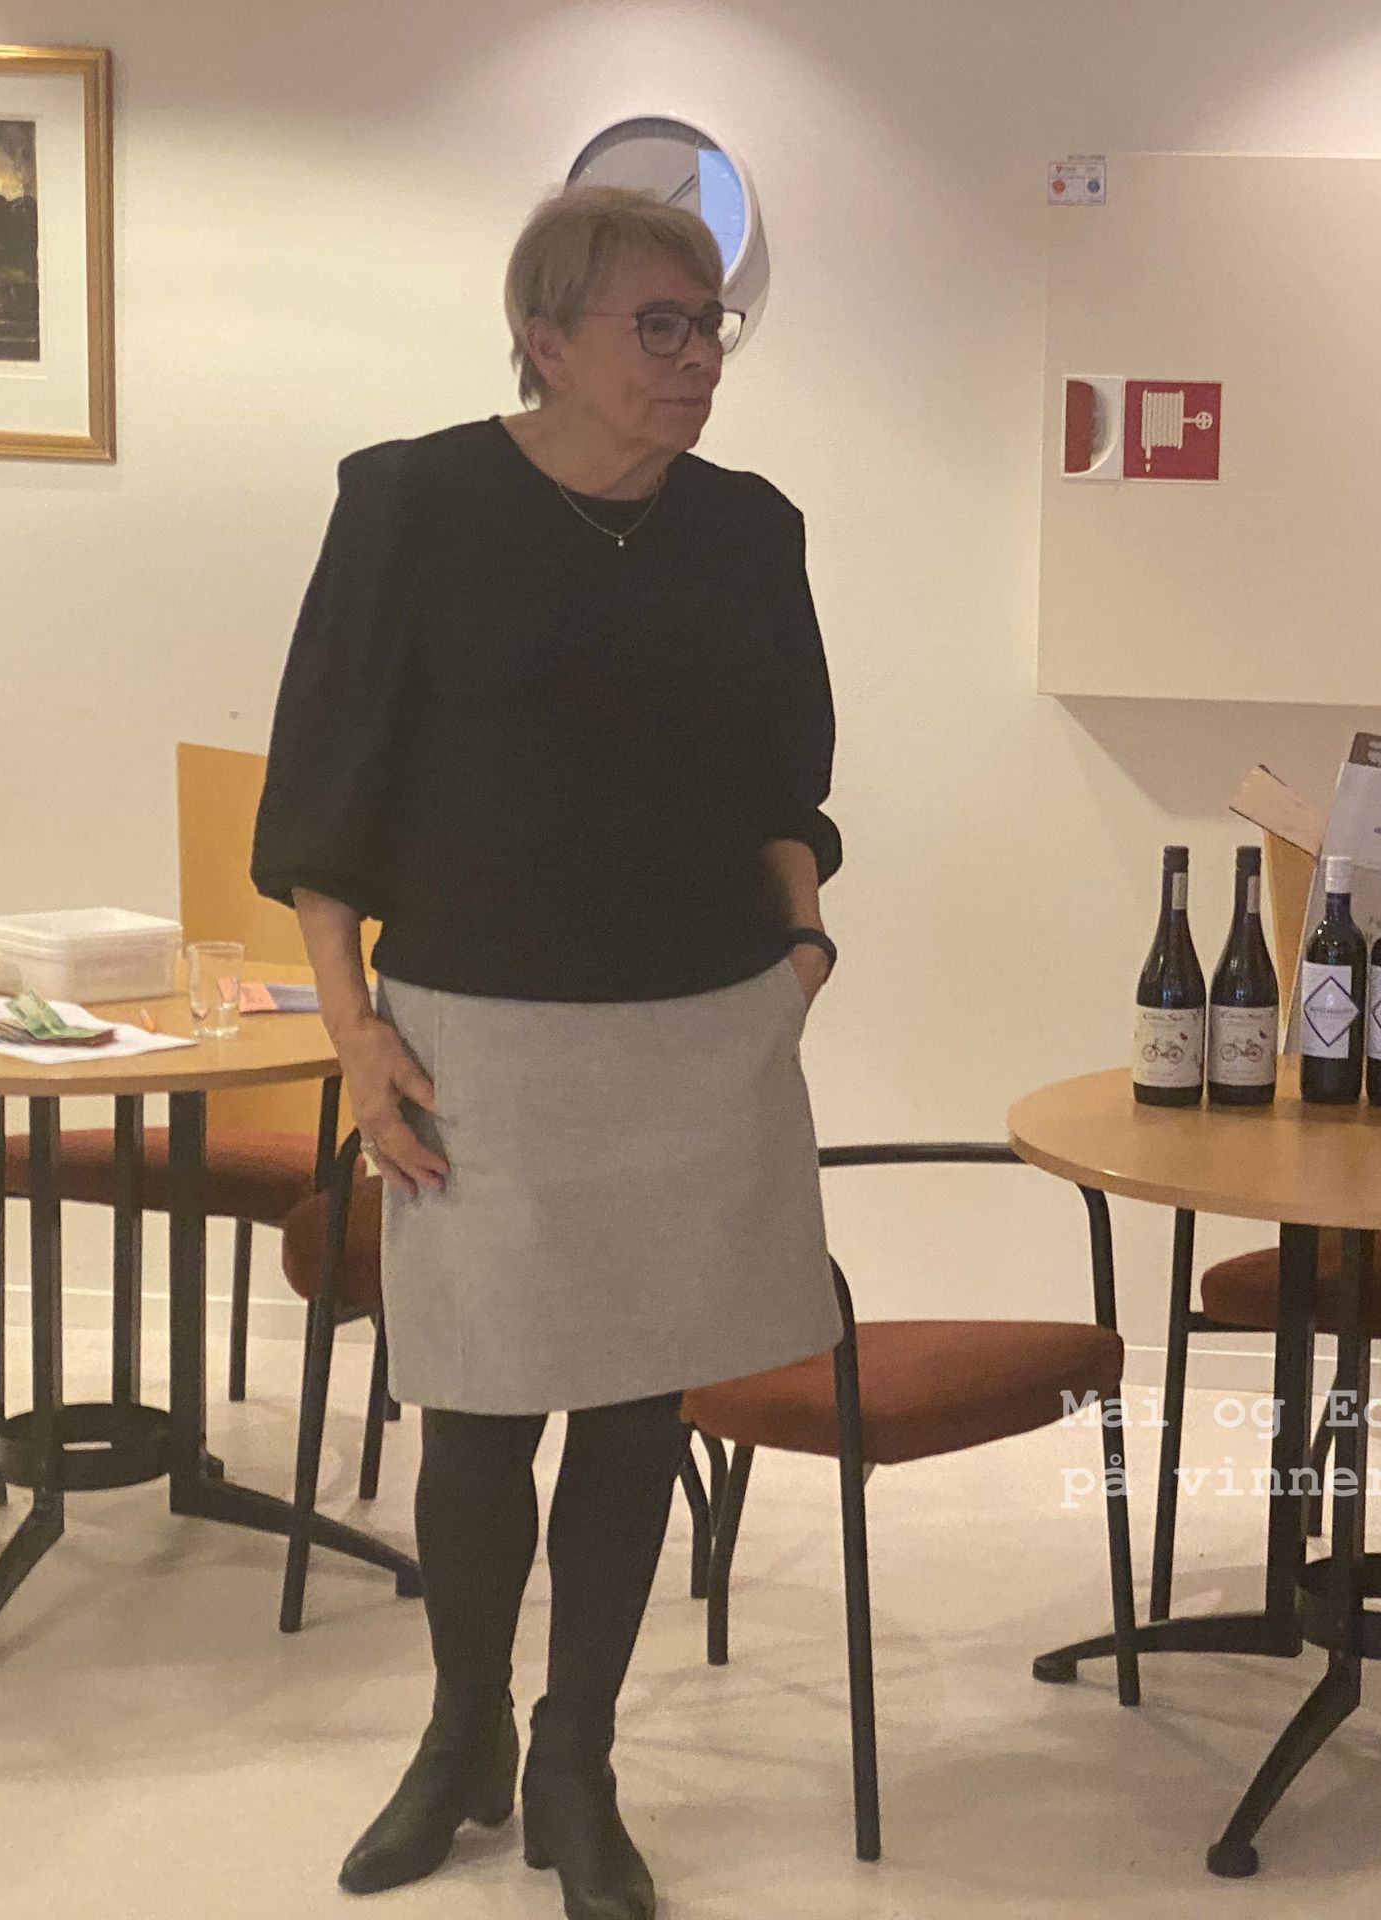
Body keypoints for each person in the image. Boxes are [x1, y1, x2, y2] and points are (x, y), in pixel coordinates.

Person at [252, 183, 845, 1920]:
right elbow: (324, 794)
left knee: (638, 1407)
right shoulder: (413, 503)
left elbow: (786, 775)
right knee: (478, 1406)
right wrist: (353, 1034)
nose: (696, 358)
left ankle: (576, 1756)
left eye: (709, 325)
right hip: (477, 1038)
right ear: (545, 339)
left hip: (701, 1032)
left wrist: (802, 947)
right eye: (658, 325)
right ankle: (463, 1738)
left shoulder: (750, 530)